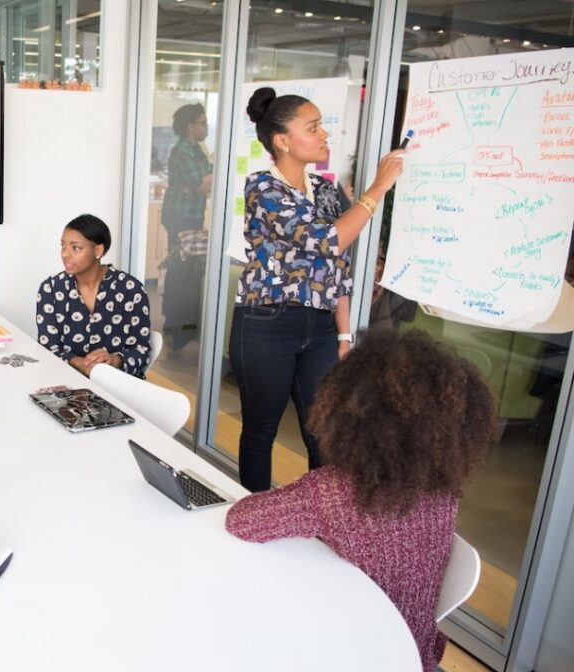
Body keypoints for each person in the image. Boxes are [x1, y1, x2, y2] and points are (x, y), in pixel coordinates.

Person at [225, 330, 495, 672]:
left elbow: (241, 520)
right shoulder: (442, 491)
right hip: (413, 653)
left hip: (347, 654)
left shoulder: (332, 491)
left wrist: (301, 490)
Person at [230, 87, 406, 492]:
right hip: (266, 324)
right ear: (282, 140)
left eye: (322, 126)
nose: (324, 135)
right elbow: (328, 241)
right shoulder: (263, 189)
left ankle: (322, 523)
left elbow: (337, 267)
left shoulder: (325, 190)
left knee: (324, 435)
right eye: (313, 127)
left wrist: (343, 335)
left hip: (322, 327)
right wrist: (378, 187)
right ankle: (254, 516)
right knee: (261, 430)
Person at [36, 214, 152, 378]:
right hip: (67, 382)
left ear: (98, 250)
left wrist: (113, 360)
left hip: (118, 386)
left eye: (75, 248)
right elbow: (48, 348)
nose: (65, 254)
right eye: (63, 246)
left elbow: (141, 351)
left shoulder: (131, 290)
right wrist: (79, 363)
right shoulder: (51, 290)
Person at [161, 103, 212, 350]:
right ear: (190, 127)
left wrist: (201, 182)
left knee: (181, 266)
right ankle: (175, 321)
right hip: (180, 215)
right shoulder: (183, 151)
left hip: (190, 213)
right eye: (202, 122)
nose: (206, 127)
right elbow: (203, 183)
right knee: (180, 266)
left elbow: (207, 180)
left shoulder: (196, 150)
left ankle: (176, 321)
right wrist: (200, 183)